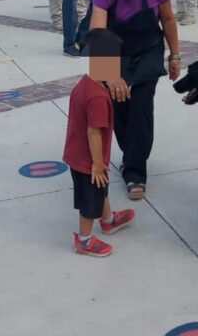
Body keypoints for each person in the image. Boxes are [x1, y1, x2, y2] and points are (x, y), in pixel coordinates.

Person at [89, 0, 180, 200]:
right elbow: (98, 30)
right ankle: (131, 156)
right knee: (120, 109)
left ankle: (135, 171)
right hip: (116, 53)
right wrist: (110, 75)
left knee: (141, 106)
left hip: (149, 50)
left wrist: (175, 54)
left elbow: (168, 19)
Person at [63, 28, 137, 257]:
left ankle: (109, 220)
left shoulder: (85, 85)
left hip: (78, 155)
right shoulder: (97, 96)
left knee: (101, 189)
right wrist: (97, 164)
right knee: (90, 201)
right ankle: (84, 240)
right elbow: (93, 132)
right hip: (88, 162)